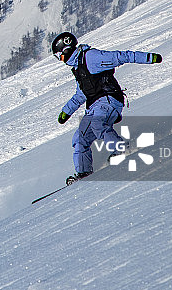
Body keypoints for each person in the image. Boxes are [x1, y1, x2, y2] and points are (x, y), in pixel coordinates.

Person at [52, 31, 162, 181]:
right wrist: (66, 111)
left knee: (98, 123)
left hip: (109, 99)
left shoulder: (91, 57)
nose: (60, 60)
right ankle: (84, 173)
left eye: (59, 56)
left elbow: (120, 56)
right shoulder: (78, 67)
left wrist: (149, 58)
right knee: (80, 138)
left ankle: (121, 149)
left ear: (66, 50)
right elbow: (82, 93)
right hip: (94, 106)